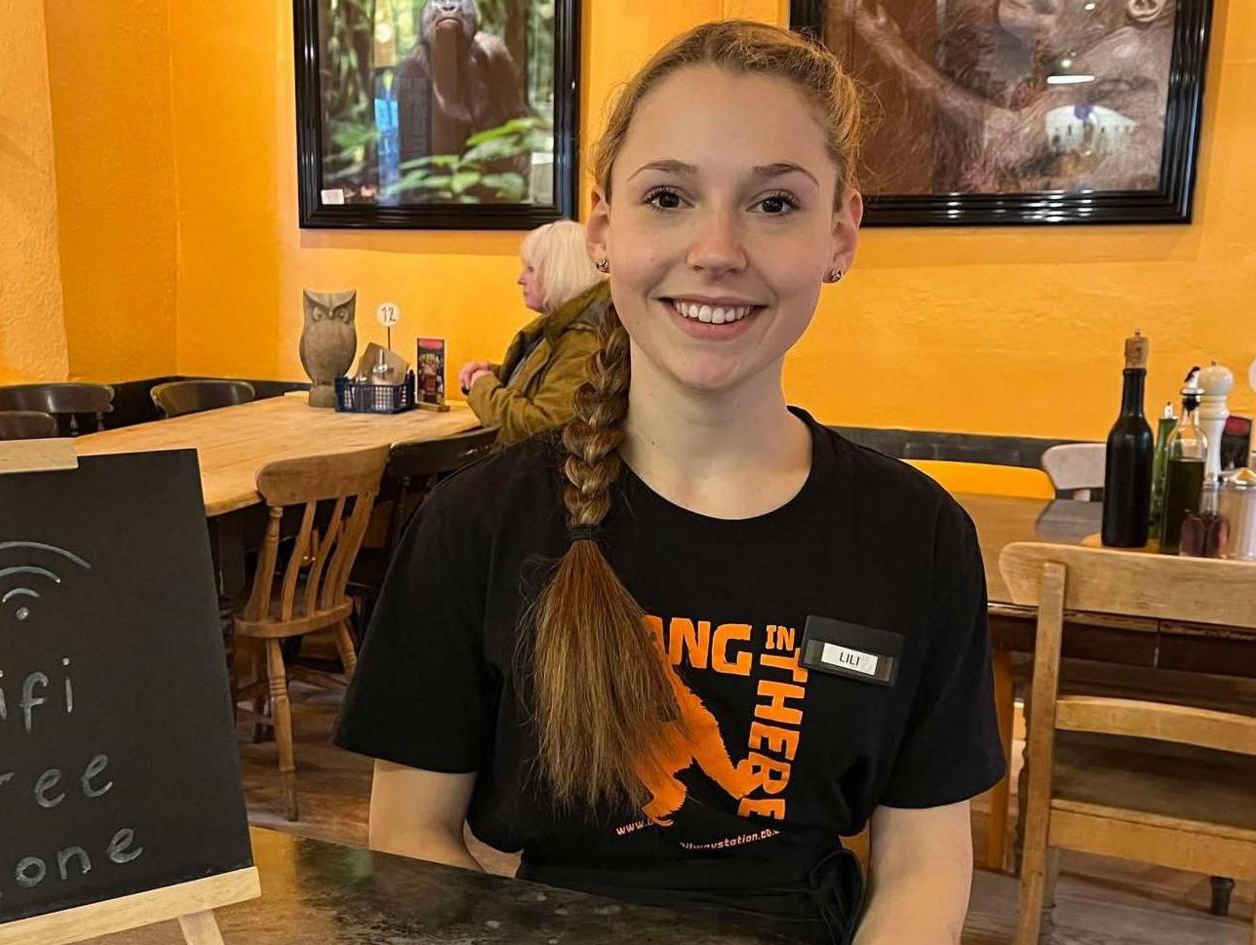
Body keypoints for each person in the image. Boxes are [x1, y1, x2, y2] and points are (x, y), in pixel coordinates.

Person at [336, 19, 1003, 945]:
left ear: (841, 232)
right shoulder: (477, 524)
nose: (717, 248)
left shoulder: (916, 536)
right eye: (669, 197)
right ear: (605, 228)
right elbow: (409, 836)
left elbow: (925, 857)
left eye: (774, 204)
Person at [459, 221, 610, 445]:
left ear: (559, 271)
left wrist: (483, 386)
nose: (520, 279)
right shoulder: (563, 327)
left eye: (530, 269)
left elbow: (540, 431)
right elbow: (545, 386)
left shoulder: (583, 339)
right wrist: (494, 375)